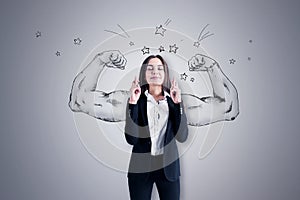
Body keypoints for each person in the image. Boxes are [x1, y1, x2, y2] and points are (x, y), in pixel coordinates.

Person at [124, 55, 188, 200]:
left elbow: (182, 136)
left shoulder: (173, 100)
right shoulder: (136, 101)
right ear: (144, 74)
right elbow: (131, 139)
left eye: (159, 68)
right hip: (140, 167)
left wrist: (178, 104)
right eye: (150, 68)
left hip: (168, 167)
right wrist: (132, 103)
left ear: (165, 73)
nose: (155, 72)